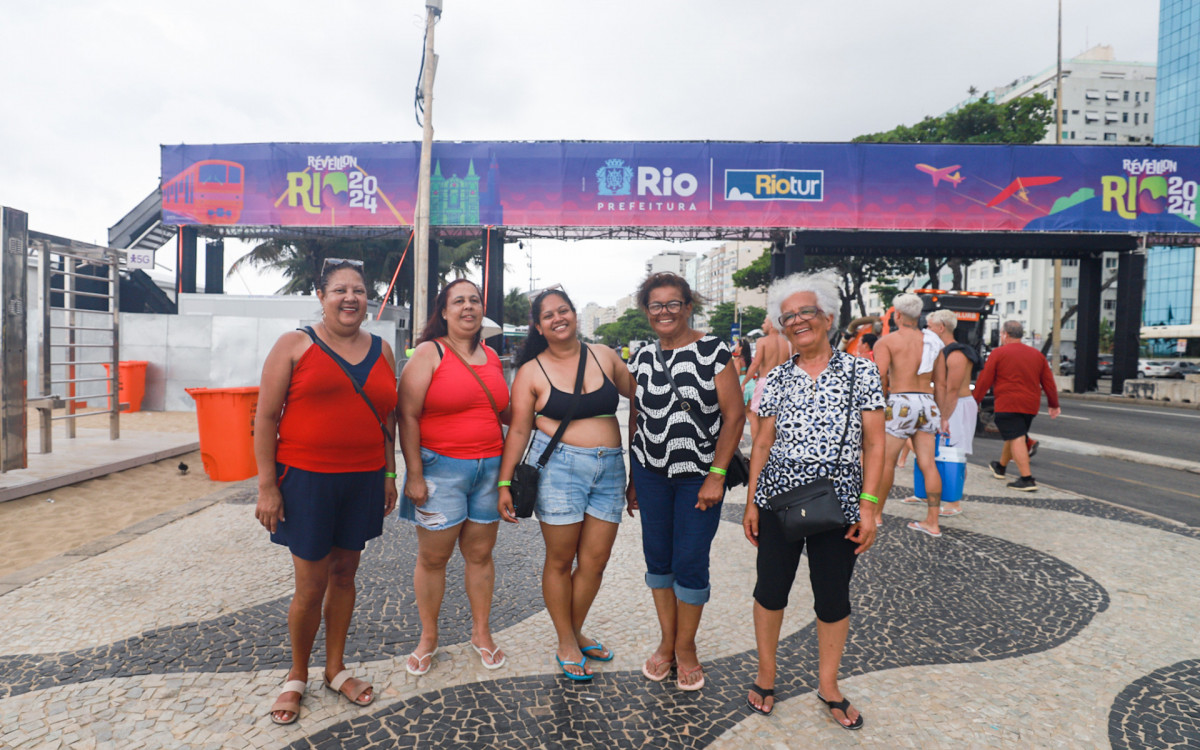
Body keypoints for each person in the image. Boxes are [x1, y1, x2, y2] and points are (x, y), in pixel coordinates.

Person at [254, 258, 398, 724]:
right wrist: (267, 486)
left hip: (362, 479)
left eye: (359, 290)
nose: (351, 298)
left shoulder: (383, 349)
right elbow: (265, 418)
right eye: (340, 290)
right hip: (307, 481)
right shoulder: (294, 344)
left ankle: (334, 669)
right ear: (321, 296)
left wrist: (389, 474)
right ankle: (297, 674)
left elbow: (389, 420)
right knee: (310, 585)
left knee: (345, 575)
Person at [742, 270, 885, 725]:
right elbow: (762, 442)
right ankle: (767, 675)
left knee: (833, 596)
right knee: (770, 590)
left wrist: (870, 507)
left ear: (826, 317)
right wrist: (750, 502)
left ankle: (829, 684)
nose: (798, 321)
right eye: (788, 317)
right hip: (777, 502)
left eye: (806, 312)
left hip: (839, 505)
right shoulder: (776, 377)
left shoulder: (860, 370)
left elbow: (876, 444)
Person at [497, 288, 635, 681]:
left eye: (564, 310)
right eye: (549, 315)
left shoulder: (604, 355)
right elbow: (520, 427)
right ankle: (566, 640)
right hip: (559, 470)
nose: (558, 318)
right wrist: (505, 482)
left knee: (595, 561)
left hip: (610, 468)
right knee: (560, 560)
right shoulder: (531, 371)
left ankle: (574, 630)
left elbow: (644, 394)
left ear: (575, 314)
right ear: (538, 327)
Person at [627, 272, 746, 691]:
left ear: (688, 306)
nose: (664, 312)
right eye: (656, 305)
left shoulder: (713, 350)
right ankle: (666, 641)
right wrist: (633, 478)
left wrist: (716, 474)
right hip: (651, 472)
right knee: (658, 560)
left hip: (699, 475)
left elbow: (735, 415)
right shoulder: (641, 357)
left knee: (691, 559)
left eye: (673, 303)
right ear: (646, 310)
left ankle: (686, 647)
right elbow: (636, 416)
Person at [398, 279, 511, 676]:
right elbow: (406, 414)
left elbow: (504, 410)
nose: (468, 307)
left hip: (490, 470)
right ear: (443, 312)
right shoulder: (429, 352)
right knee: (433, 558)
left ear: (483, 310)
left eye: (475, 300)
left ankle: (481, 632)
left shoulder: (493, 357)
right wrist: (414, 474)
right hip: (439, 471)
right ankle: (429, 636)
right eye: (458, 301)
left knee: (480, 555)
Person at [873, 293, 946, 537]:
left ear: (898, 314)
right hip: (927, 402)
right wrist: (943, 415)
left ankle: (876, 515)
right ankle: (933, 522)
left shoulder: (888, 341)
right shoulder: (934, 342)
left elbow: (880, 378)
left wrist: (876, 409)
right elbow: (942, 384)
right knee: (928, 462)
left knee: (886, 462)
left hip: (901, 401)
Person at [898, 309, 980, 515]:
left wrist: (944, 417)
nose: (926, 330)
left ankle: (954, 501)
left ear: (941, 328)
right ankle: (926, 492)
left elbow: (952, 390)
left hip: (957, 406)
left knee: (954, 452)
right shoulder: (937, 350)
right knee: (929, 450)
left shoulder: (957, 354)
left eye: (930, 326)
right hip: (940, 405)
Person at [973, 320, 1060, 491]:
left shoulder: (998, 353)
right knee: (1015, 435)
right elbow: (1049, 383)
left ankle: (1026, 478)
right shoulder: (1037, 355)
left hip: (1008, 403)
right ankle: (1001, 467)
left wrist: (974, 400)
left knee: (1017, 437)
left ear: (1005, 334)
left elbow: (985, 380)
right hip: (1030, 405)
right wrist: (1053, 404)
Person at [742, 318, 790, 446]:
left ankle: (758, 448)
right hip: (783, 383)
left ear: (772, 323)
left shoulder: (762, 341)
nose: (762, 325)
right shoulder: (788, 343)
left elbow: (755, 363)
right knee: (778, 418)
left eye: (764, 322)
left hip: (765, 382)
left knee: (755, 416)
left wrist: (744, 382)